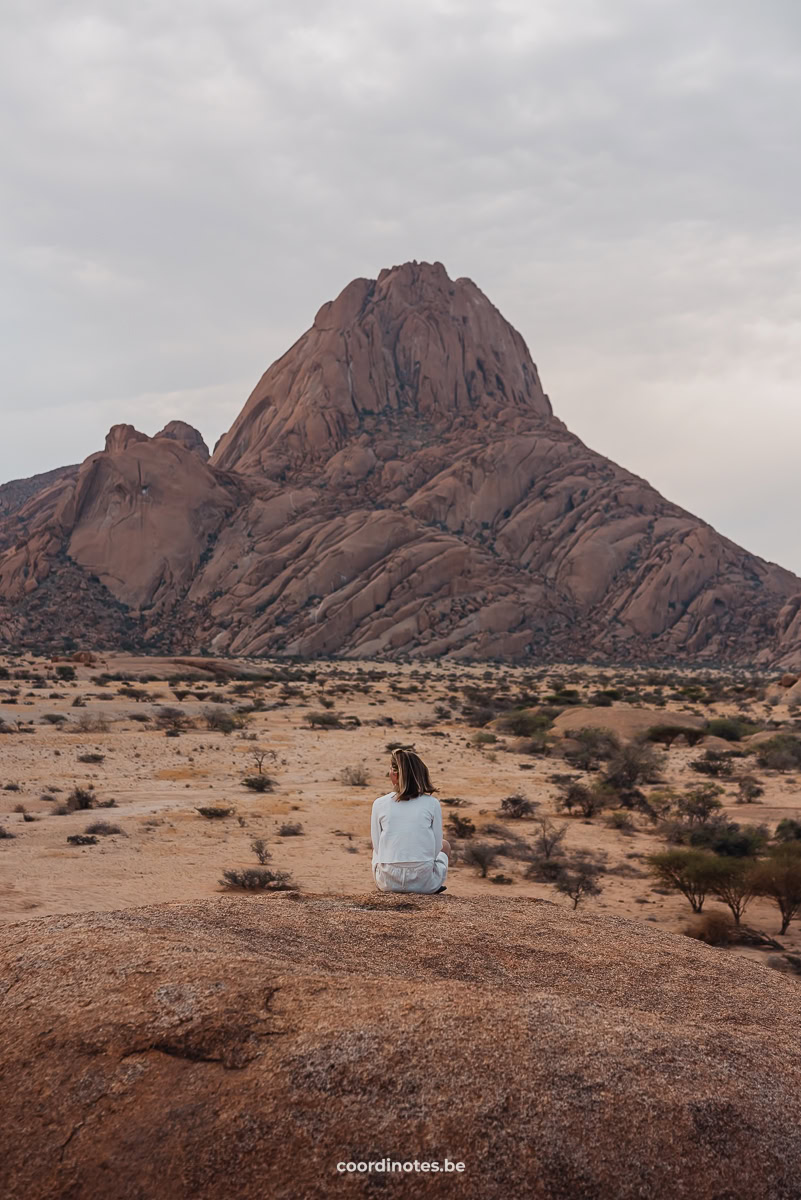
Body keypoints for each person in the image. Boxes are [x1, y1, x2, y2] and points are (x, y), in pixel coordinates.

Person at [371, 748, 451, 894]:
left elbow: (377, 847)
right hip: (423, 884)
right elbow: (436, 846)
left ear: (395, 775)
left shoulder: (379, 803)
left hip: (388, 883)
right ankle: (434, 884)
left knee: (381, 846)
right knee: (445, 845)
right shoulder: (432, 803)